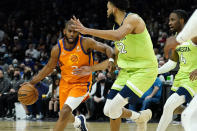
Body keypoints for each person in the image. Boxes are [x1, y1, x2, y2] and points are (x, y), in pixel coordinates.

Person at [72, 0, 158, 130]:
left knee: (114, 108)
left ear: (114, 8)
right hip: (126, 72)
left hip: (144, 70)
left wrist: (86, 30)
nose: (106, 11)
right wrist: (92, 68)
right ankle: (140, 117)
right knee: (108, 110)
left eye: (107, 8)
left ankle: (139, 117)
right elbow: (116, 54)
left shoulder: (133, 19)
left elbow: (118, 36)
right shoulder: (115, 27)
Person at [21, 20, 114, 131]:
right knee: (64, 115)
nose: (72, 34)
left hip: (82, 83)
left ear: (78, 33)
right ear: (64, 31)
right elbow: (48, 68)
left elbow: (107, 48)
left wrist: (111, 60)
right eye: (69, 31)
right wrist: (32, 82)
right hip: (65, 84)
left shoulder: (86, 42)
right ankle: (78, 121)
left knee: (65, 111)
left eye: (75, 32)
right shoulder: (57, 49)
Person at [157, 10, 197, 131]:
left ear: (182, 20)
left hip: (192, 78)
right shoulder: (175, 40)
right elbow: (172, 63)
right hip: (180, 78)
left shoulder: (194, 36)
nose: (169, 22)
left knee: (169, 105)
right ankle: (191, 115)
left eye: (173, 19)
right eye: (169, 20)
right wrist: (156, 71)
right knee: (172, 108)